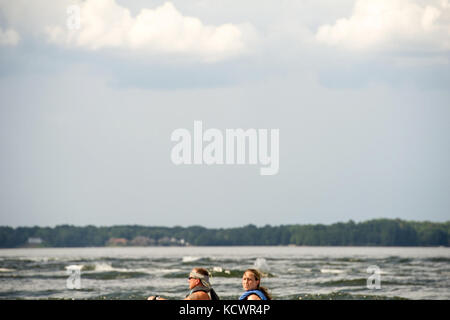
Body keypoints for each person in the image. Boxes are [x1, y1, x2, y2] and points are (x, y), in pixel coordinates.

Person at [148, 267, 220, 300]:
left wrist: (156, 298)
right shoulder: (206, 293)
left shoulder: (199, 295)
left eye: (190, 278)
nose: (188, 280)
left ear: (197, 280)